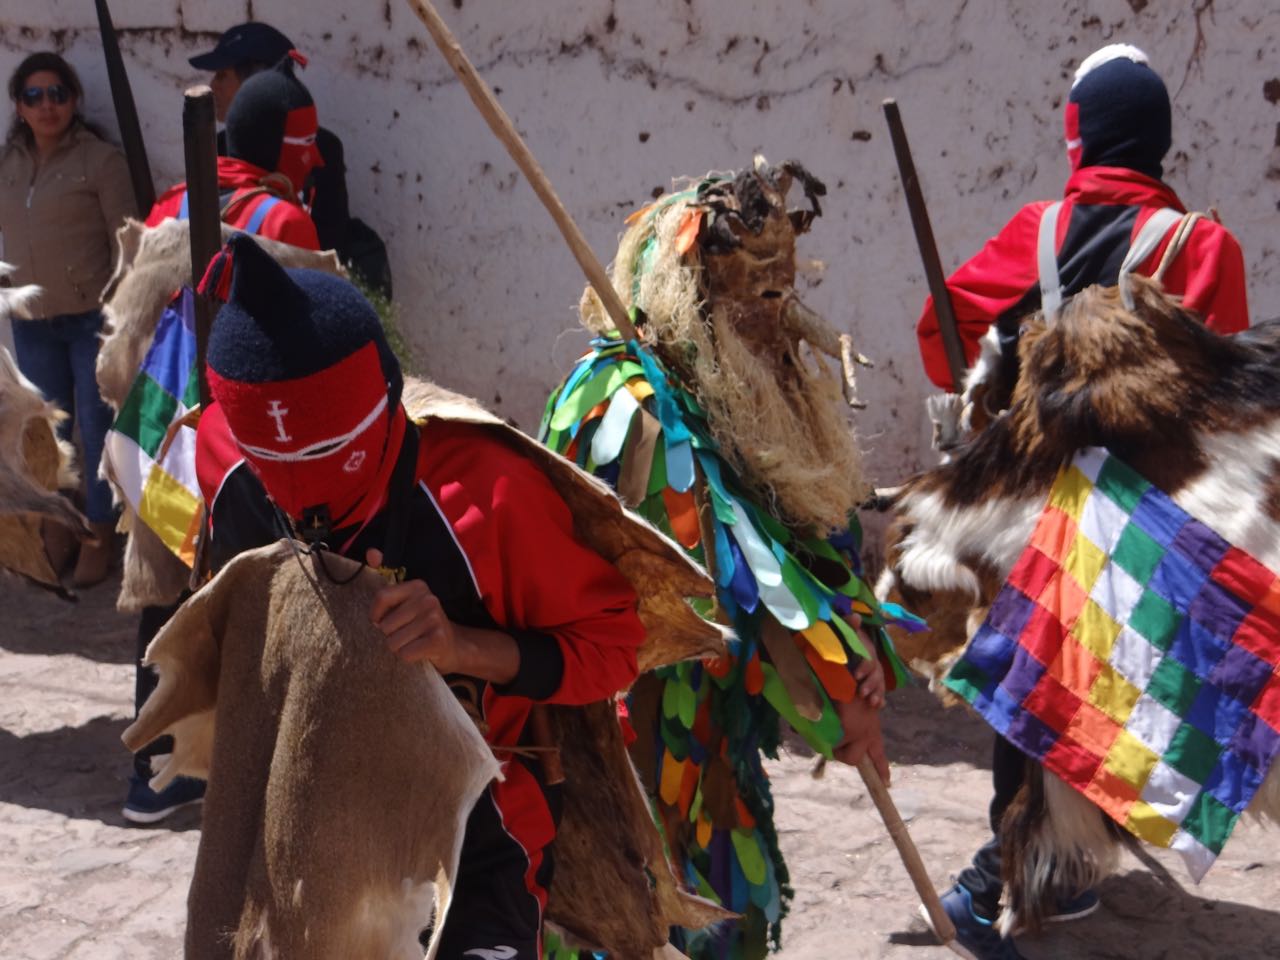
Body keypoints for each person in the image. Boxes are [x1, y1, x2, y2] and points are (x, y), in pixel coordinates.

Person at [190, 232, 643, 959]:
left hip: (477, 841)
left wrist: (462, 646)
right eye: (274, 462)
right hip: (304, 840)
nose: (300, 495)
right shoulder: (227, 463)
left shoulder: (484, 494)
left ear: (384, 404)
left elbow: (613, 648)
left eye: (326, 457)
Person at [913, 44, 1251, 960]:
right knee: (1126, 684)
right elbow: (1218, 398)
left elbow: (939, 337)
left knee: (1035, 681)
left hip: (1050, 505)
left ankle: (1025, 872)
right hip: (1160, 522)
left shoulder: (1038, 233)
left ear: (1080, 136)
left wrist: (999, 369)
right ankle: (1044, 866)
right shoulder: (1203, 247)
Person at [542, 161, 913, 959]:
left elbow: (797, 552)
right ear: (688, 290)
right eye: (750, 289)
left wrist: (858, 648)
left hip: (712, 742)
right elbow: (735, 589)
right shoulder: (636, 412)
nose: (774, 313)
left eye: (782, 288)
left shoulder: (734, 397)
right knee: (639, 918)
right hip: (630, 737)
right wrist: (837, 689)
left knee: (720, 899)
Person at [122, 55, 325, 826]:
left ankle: (154, 771)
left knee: (168, 595)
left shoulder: (172, 200)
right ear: (284, 144)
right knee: (248, 598)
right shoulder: (285, 222)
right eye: (307, 145)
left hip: (155, 424)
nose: (315, 160)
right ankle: (240, 770)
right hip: (235, 439)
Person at [0, 52, 132, 587]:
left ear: (74, 100)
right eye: (34, 96)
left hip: (91, 321)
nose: (46, 105)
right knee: (44, 434)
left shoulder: (100, 160)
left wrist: (123, 314)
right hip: (32, 321)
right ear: (19, 106)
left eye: (57, 93)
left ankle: (98, 534)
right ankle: (59, 527)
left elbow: (127, 241)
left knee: (97, 431)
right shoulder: (8, 165)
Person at [189, 21, 350, 254]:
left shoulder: (322, 150)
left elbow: (330, 242)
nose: (213, 86)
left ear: (258, 81)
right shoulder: (217, 148)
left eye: (223, 75)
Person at [146, 56, 322, 249]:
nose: (318, 159)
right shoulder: (287, 224)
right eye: (307, 141)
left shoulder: (169, 205)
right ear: (269, 143)